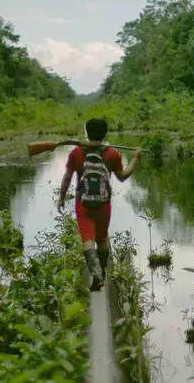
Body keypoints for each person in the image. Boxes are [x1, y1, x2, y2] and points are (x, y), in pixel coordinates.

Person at [55, 117, 142, 290]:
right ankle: (101, 271)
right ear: (104, 134)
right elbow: (123, 176)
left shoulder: (77, 153)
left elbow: (67, 177)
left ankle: (97, 275)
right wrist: (135, 159)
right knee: (102, 238)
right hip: (103, 204)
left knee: (88, 239)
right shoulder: (111, 153)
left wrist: (61, 197)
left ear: (87, 133)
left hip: (83, 204)